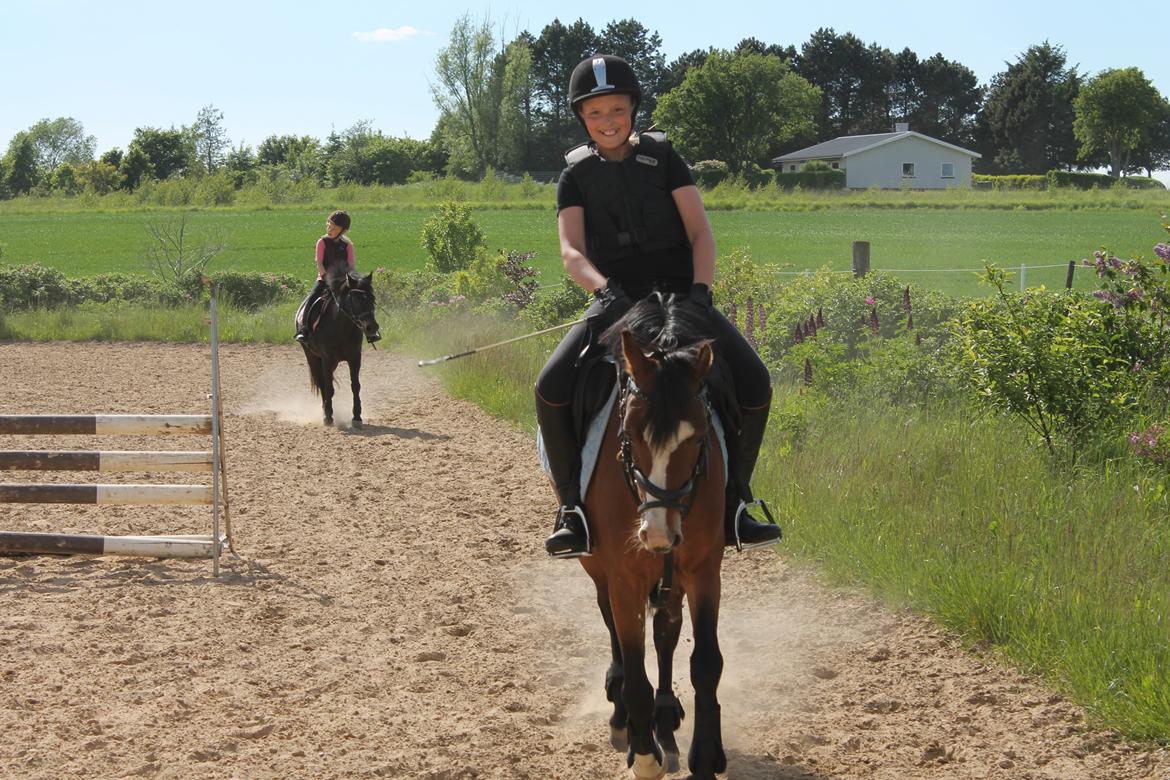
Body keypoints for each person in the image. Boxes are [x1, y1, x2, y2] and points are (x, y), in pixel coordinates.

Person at [537, 54, 782, 558]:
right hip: (614, 302)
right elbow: (571, 251)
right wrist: (605, 293)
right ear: (582, 118)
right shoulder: (574, 177)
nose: (608, 121)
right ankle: (572, 511)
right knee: (551, 386)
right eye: (596, 113)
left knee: (755, 380)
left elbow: (700, 232)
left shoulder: (666, 160)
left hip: (680, 297)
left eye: (617, 110)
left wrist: (701, 292)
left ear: (634, 110)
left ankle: (738, 502)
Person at [295, 210, 381, 344]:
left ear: (343, 230)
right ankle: (304, 330)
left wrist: (349, 281)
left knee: (362, 301)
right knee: (312, 299)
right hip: (324, 280)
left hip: (344, 282)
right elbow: (320, 264)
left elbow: (351, 267)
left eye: (334, 227)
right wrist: (326, 279)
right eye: (329, 225)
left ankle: (370, 331)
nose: (330, 228)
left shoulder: (348, 245)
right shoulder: (322, 242)